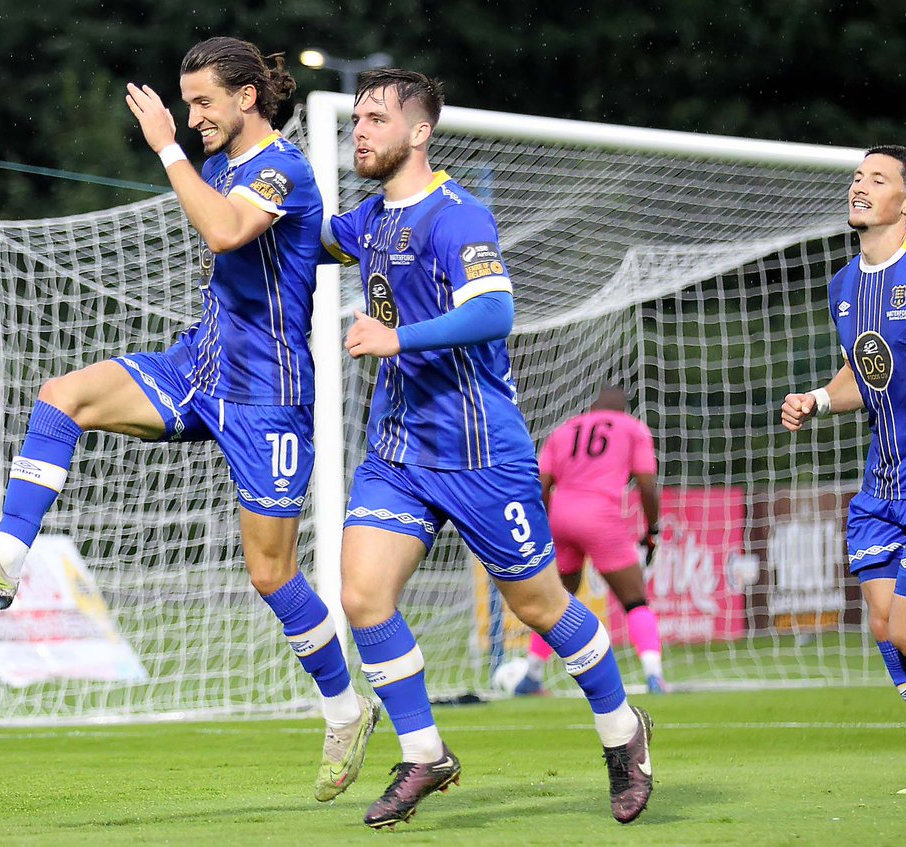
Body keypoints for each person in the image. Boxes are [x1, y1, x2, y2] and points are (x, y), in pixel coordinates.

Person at [0, 36, 377, 803]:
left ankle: (343, 707)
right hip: (195, 369)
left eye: (203, 101)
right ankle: (6, 559)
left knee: (271, 574)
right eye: (184, 102)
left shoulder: (282, 167)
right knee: (61, 393)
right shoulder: (225, 166)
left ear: (247, 100)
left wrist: (166, 148)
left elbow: (226, 232)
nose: (190, 115)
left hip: (266, 398)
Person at [323, 68, 655, 829]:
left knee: (539, 605)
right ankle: (424, 751)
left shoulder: (457, 216)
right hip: (398, 453)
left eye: (375, 118)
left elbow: (496, 311)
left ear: (419, 131)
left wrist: (397, 335)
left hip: (480, 454)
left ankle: (623, 731)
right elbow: (286, 233)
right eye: (357, 118)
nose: (360, 131)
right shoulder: (369, 221)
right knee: (364, 597)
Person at [782, 145, 906, 795]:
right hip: (881, 487)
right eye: (858, 177)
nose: (860, 186)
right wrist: (819, 398)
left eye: (877, 179)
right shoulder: (844, 285)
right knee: (888, 632)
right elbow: (866, 370)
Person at [517, 386, 665, 696]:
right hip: (601, 517)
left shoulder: (565, 429)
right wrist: (652, 530)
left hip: (560, 516)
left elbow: (541, 483)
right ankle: (654, 676)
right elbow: (648, 486)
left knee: (555, 600)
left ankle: (531, 676)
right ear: (624, 408)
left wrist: (545, 526)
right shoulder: (632, 428)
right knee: (635, 599)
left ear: (592, 407)